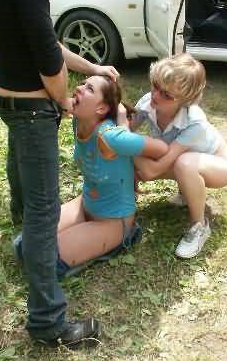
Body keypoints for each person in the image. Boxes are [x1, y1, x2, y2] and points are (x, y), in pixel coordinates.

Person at [0, 0, 118, 349]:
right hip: (32, 108)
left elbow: (45, 42)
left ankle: (24, 245)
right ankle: (48, 322)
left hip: (6, 97)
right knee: (43, 211)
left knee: (21, 181)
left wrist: (92, 68)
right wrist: (64, 101)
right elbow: (49, 62)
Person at [54, 75, 167, 273]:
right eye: (82, 84)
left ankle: (125, 237)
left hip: (112, 222)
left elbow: (161, 148)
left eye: (89, 89)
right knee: (30, 240)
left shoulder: (112, 137)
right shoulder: (79, 120)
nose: (79, 88)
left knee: (46, 258)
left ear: (101, 108)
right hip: (85, 203)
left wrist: (124, 129)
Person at [132, 53, 227, 259]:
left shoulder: (194, 122)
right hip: (188, 159)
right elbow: (124, 129)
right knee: (150, 155)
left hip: (221, 165)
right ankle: (129, 204)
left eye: (167, 95)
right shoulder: (148, 102)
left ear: (185, 101)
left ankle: (199, 226)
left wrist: (125, 147)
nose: (156, 95)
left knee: (183, 163)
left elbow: (152, 170)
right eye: (155, 85)